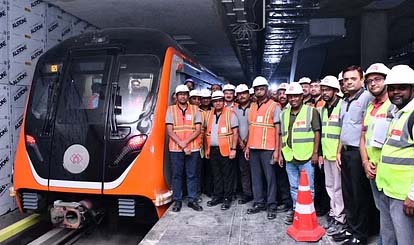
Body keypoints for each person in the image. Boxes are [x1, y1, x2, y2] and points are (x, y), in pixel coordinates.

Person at [334, 65, 375, 244]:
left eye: (353, 79)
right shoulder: (344, 101)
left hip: (359, 154)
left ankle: (361, 235)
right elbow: (343, 128)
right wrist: (338, 151)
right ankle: (350, 229)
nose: (349, 82)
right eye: (346, 80)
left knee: (360, 196)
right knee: (348, 194)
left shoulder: (367, 98)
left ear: (361, 80)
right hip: (345, 153)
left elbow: (367, 130)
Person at [375, 65, 414, 245]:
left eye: (402, 88)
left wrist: (412, 196)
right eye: (391, 88)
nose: (395, 92)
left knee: (405, 240)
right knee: (390, 237)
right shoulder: (397, 113)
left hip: (403, 195)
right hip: (388, 189)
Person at [280, 82, 321, 225]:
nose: (293, 99)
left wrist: (316, 153)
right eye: (290, 96)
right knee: (294, 187)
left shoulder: (311, 111)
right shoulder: (284, 114)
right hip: (289, 156)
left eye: (296, 96)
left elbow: (317, 133)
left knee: (309, 188)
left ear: (302, 96)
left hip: (307, 156)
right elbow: (282, 135)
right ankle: (297, 211)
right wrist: (280, 153)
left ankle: (308, 212)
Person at [245, 76, 281, 220]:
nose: (259, 92)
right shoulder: (252, 106)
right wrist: (247, 146)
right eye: (257, 89)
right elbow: (250, 127)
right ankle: (258, 202)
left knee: (270, 178)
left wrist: (277, 151)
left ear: (266, 90)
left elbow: (279, 130)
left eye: (262, 89)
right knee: (256, 178)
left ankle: (272, 204)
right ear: (254, 91)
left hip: (268, 148)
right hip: (253, 148)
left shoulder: (274, 106)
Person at [165, 84, 203, 212]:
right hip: (176, 149)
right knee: (177, 175)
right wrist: (181, 144)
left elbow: (198, 130)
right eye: (180, 94)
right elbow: (170, 131)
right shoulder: (170, 110)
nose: (183, 96)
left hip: (192, 148)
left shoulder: (195, 109)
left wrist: (185, 143)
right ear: (176, 96)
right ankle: (177, 200)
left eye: (185, 94)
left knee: (192, 175)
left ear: (188, 96)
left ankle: (192, 200)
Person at [318, 76, 346, 236]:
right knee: (330, 187)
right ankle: (334, 214)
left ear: (336, 90)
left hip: (338, 155)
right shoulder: (323, 109)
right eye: (323, 89)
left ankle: (340, 219)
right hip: (327, 154)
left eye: (327, 89)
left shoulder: (342, 106)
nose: (324, 92)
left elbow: (344, 132)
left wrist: (339, 152)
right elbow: (323, 133)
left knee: (338, 188)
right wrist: (321, 154)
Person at [205, 91, 239, 210]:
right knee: (216, 175)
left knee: (227, 175)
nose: (217, 103)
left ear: (223, 102)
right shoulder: (209, 115)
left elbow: (235, 133)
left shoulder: (231, 114)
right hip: (213, 150)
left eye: (220, 100)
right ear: (212, 103)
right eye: (215, 101)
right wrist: (207, 149)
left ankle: (227, 198)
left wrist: (234, 149)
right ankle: (217, 196)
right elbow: (207, 133)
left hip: (226, 150)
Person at [234, 84, 253, 204]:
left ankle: (259, 194)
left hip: (254, 145)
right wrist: (240, 141)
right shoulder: (234, 110)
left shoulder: (255, 107)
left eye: (244, 93)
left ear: (249, 95)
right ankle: (247, 194)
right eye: (239, 94)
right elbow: (233, 128)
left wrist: (247, 141)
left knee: (256, 172)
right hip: (239, 145)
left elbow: (255, 126)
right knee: (243, 171)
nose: (242, 96)